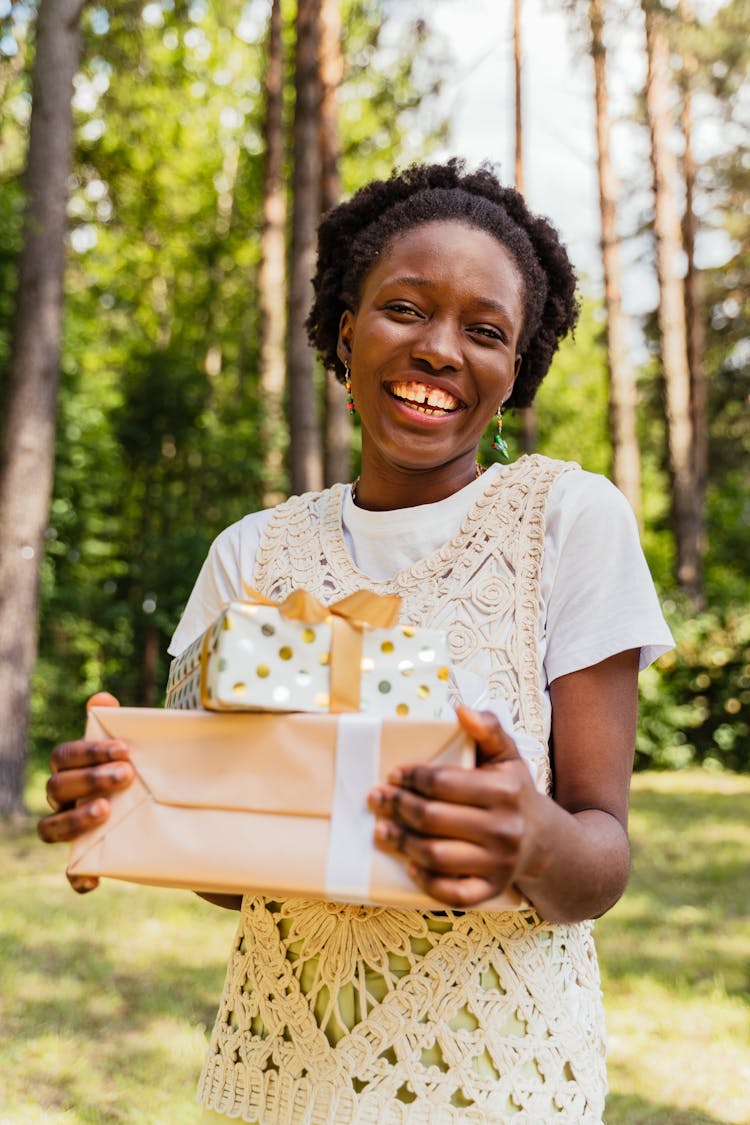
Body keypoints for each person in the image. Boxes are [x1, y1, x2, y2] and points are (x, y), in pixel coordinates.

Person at [38, 159, 674, 1124]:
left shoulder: (568, 518)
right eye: (406, 309)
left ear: (517, 368)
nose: (441, 349)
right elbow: (233, 867)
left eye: (485, 330)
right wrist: (138, 810)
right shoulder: (251, 552)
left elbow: (601, 857)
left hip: (497, 1079)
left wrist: (533, 837)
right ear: (346, 331)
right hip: (285, 1074)